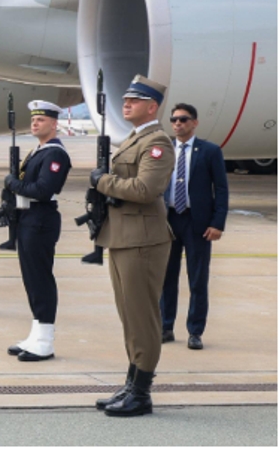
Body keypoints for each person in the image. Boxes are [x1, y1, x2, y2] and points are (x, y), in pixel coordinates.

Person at [91, 75, 175, 418]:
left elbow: (145, 190)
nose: (126, 103)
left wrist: (102, 181)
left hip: (143, 239)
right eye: (125, 99)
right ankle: (132, 381)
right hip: (123, 236)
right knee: (129, 315)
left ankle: (141, 393)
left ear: (152, 107)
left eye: (134, 100)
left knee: (142, 317)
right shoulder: (135, 138)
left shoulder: (158, 143)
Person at [4, 101, 71, 361]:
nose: (35, 123)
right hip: (28, 218)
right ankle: (36, 334)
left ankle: (45, 341)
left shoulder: (55, 154)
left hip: (41, 219)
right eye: (33, 119)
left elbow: (43, 190)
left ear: (54, 124)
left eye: (41, 120)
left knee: (41, 279)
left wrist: (13, 184)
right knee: (31, 279)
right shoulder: (38, 151)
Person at [159, 103, 228, 351]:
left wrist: (217, 223)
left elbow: (220, 189)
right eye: (175, 120)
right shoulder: (165, 149)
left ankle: (195, 331)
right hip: (169, 220)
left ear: (194, 122)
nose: (178, 124)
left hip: (197, 222)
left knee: (198, 279)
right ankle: (165, 326)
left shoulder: (209, 151)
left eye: (184, 119)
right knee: (166, 276)